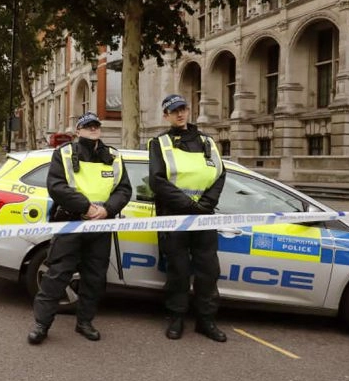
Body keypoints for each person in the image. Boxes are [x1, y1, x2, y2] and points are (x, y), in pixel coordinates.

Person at [28, 111, 132, 344]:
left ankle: (84, 322)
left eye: (96, 126)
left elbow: (124, 190)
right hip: (71, 223)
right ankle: (41, 325)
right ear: (78, 131)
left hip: (100, 226)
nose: (93, 129)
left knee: (94, 278)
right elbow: (56, 186)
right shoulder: (63, 153)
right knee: (56, 275)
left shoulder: (114, 156)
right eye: (87, 126)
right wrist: (86, 208)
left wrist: (106, 210)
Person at [148, 94, 227, 342]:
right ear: (166, 115)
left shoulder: (207, 141)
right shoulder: (159, 143)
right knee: (178, 271)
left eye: (183, 109)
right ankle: (176, 318)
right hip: (175, 216)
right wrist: (188, 205)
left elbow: (220, 175)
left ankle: (206, 321)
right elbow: (157, 181)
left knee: (208, 271)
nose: (180, 114)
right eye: (174, 111)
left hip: (204, 216)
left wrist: (204, 205)